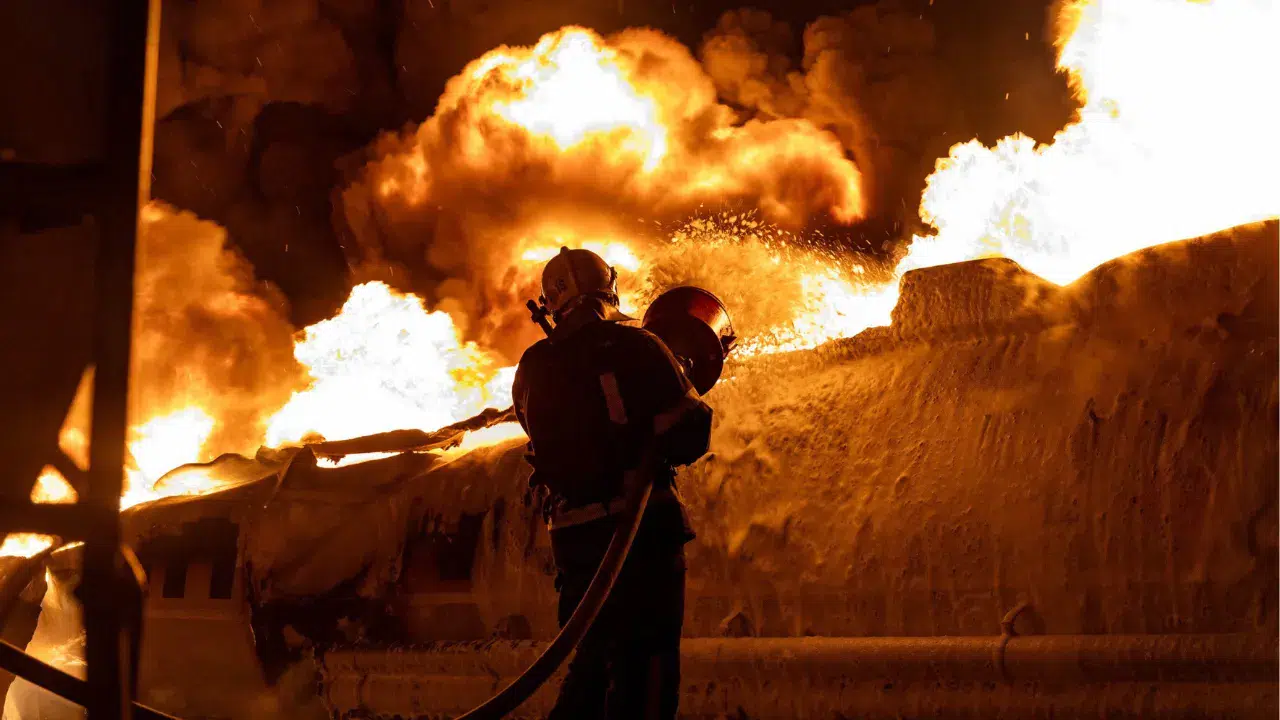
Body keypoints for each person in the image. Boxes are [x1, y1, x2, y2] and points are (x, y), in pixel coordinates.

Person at [512, 247, 712, 720]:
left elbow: (541, 435)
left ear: (549, 305)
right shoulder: (639, 346)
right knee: (648, 673)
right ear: (610, 289)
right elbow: (691, 431)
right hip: (642, 535)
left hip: (575, 546)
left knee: (591, 664)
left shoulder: (532, 366)